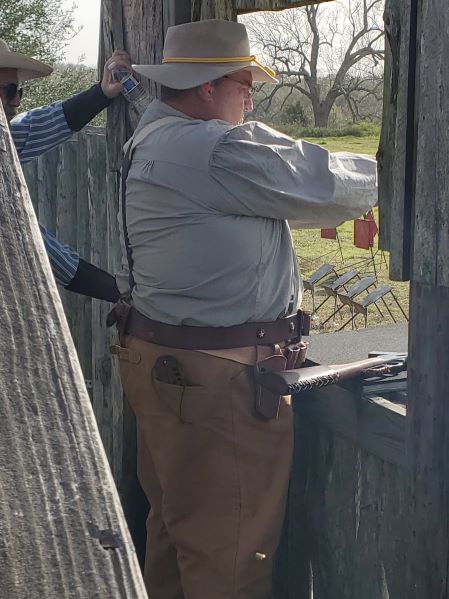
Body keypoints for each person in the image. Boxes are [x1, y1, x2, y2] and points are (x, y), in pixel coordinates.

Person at [111, 19, 378, 599]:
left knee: (176, 542)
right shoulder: (216, 150)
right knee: (231, 563)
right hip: (217, 383)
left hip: (165, 362)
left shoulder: (154, 139)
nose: (251, 100)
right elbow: (330, 186)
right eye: (244, 85)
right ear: (208, 87)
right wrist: (406, 168)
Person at [0, 38, 128, 302]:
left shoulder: (5, 141)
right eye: (10, 91)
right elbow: (37, 247)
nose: (16, 102)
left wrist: (101, 93)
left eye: (19, 91)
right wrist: (120, 294)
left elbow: (45, 122)